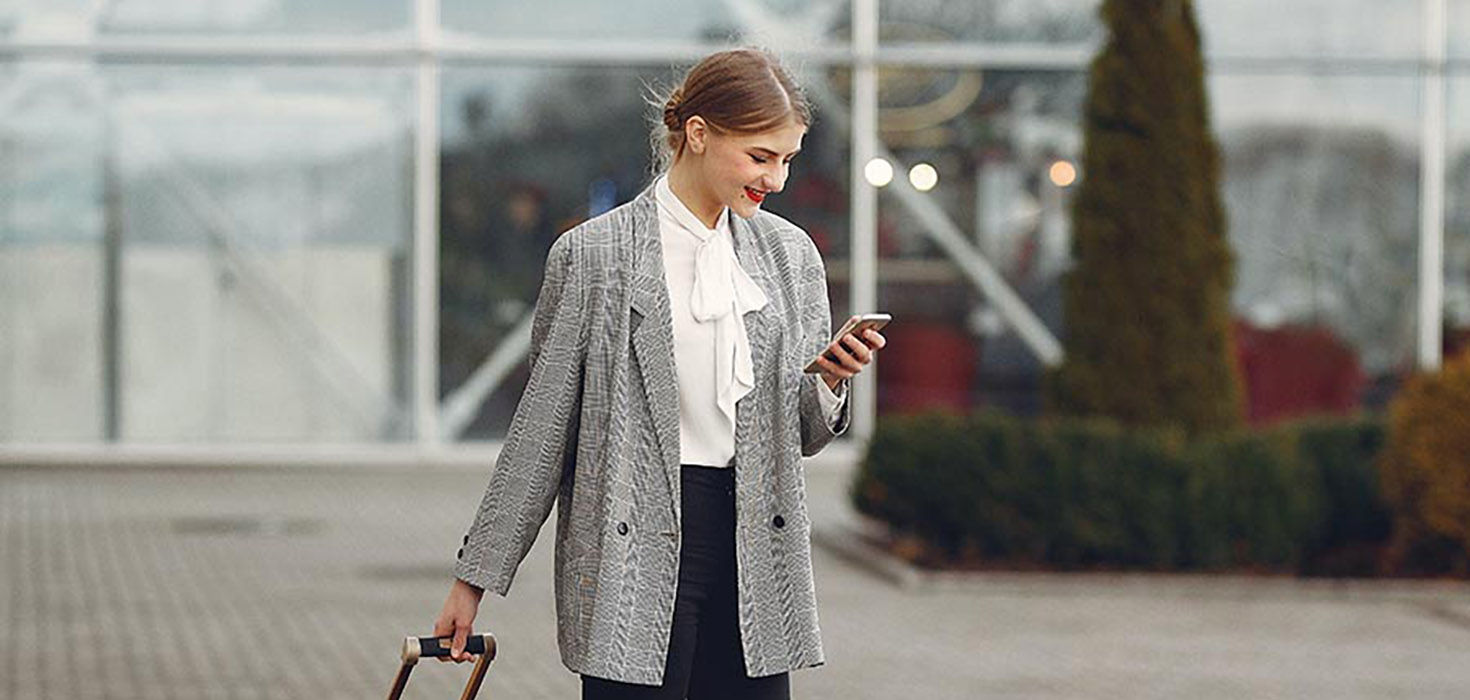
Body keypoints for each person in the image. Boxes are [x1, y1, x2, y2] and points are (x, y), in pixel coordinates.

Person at [432, 47, 887, 700]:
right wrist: (472, 580)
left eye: (787, 159)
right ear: (697, 135)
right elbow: (540, 437)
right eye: (761, 157)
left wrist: (829, 381)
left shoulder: (791, 258)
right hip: (630, 546)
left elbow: (804, 435)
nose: (777, 179)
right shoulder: (593, 256)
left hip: (754, 549)